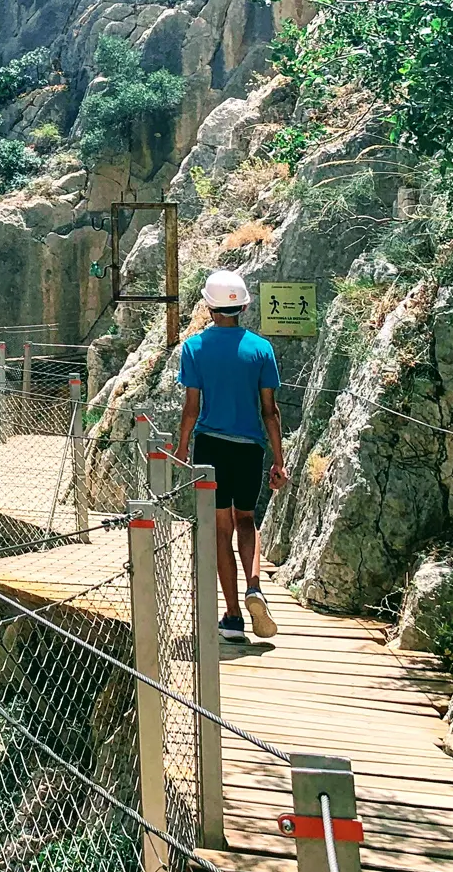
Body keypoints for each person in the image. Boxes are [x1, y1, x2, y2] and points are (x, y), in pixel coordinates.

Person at [173, 270, 287, 642]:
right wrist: (279, 460)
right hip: (249, 447)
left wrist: (180, 446)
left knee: (220, 529)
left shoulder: (194, 348)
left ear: (209, 306)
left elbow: (192, 408)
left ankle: (234, 617)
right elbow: (270, 410)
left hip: (211, 446)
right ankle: (255, 586)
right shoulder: (261, 349)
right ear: (243, 306)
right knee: (246, 520)